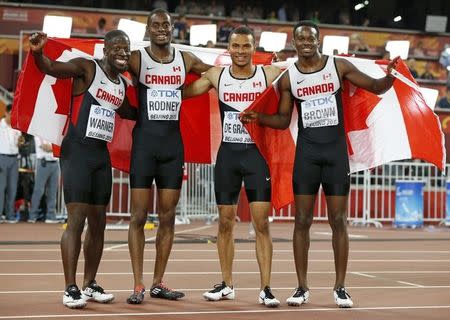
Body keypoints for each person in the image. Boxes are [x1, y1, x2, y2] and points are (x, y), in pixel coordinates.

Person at [240, 20, 399, 308]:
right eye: (300, 39)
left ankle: (340, 287)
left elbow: (376, 86)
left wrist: (391, 77)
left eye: (310, 38)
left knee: (338, 221)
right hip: (308, 156)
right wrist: (258, 118)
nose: (305, 43)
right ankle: (302, 287)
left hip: (335, 156)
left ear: (318, 39)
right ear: (294, 42)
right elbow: (281, 119)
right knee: (302, 221)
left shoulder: (337, 67)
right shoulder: (290, 79)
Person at [29, 29, 135, 308]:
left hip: (101, 157)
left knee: (99, 223)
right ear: (105, 51)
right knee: (76, 220)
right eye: (117, 48)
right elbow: (52, 68)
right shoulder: (88, 68)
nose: (122, 53)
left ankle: (90, 284)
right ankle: (70, 288)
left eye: (126, 49)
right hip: (76, 152)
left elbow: (128, 112)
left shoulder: (121, 85)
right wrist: (39, 53)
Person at [183, 26, 282, 307]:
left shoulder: (268, 74)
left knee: (261, 224)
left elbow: (300, 76)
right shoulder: (218, 76)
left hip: (256, 158)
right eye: (235, 46)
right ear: (229, 49)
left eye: (246, 46)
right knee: (225, 223)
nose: (240, 51)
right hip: (227, 157)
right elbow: (184, 93)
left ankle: (266, 288)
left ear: (254, 48)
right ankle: (227, 284)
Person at [125, 8, 212, 304]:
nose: (161, 28)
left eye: (166, 24)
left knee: (168, 218)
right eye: (156, 25)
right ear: (148, 30)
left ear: (174, 28)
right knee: (137, 216)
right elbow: (108, 62)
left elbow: (217, 71)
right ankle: (137, 284)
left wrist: (262, 64)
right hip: (144, 147)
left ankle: (158, 282)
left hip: (173, 149)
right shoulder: (138, 59)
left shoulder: (185, 59)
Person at [0, 104, 24, 223]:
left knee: (12, 188)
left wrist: (20, 143)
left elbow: (19, 143)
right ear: (6, 113)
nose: (12, 116)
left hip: (14, 159)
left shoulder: (16, 127)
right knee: (1, 188)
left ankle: (10, 215)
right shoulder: (0, 125)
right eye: (11, 114)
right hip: (2, 158)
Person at [28, 136, 60, 223]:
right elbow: (45, 147)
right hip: (43, 163)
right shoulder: (39, 133)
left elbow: (59, 147)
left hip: (55, 163)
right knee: (38, 190)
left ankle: (50, 216)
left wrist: (54, 148)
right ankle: (32, 215)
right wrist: (55, 148)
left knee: (52, 191)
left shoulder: (54, 134)